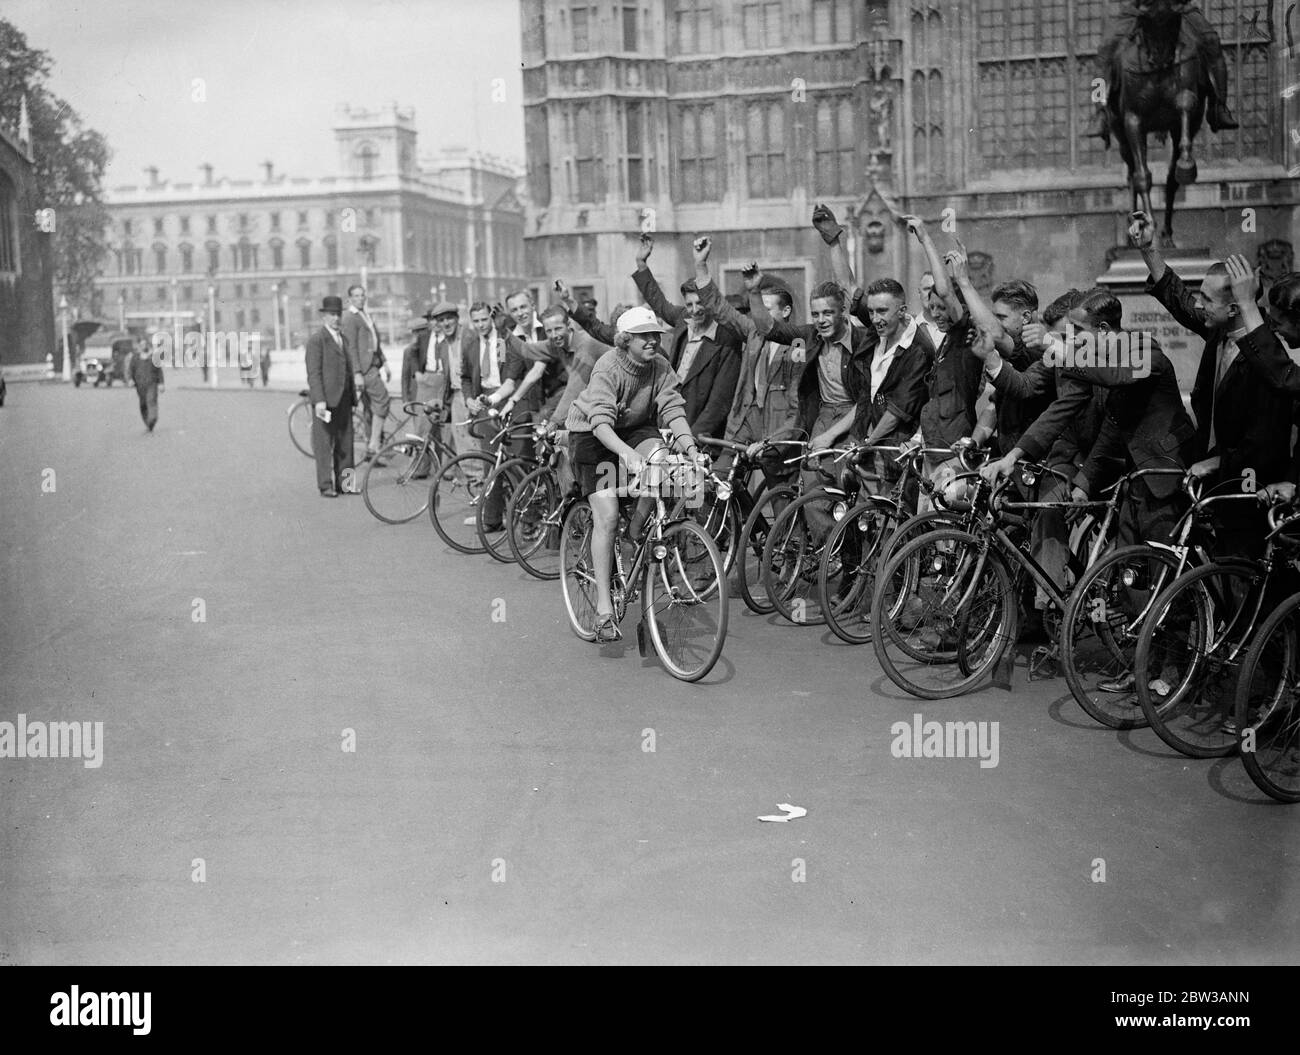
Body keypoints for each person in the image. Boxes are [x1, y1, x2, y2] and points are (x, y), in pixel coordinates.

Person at [1133, 211, 1293, 556]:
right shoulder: (1217, 331)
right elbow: (1178, 300)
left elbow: (1262, 441)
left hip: (1250, 484)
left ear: (1235, 308)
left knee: (1243, 572)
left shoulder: (1265, 357)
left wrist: (1218, 463)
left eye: (1207, 300)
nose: (1198, 304)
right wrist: (1149, 250)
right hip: (1215, 481)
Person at [565, 306, 705, 644]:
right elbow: (599, 422)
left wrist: (689, 448)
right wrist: (626, 455)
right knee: (608, 515)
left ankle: (637, 530)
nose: (653, 341)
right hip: (593, 436)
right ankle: (602, 610)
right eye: (645, 335)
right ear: (625, 339)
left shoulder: (659, 365)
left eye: (656, 334)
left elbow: (671, 407)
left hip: (633, 429)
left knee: (661, 459)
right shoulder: (608, 366)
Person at [690, 236, 803, 488]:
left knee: (781, 501)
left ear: (785, 312)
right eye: (757, 309)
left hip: (776, 432)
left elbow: (797, 403)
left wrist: (777, 439)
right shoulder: (753, 331)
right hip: (743, 423)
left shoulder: (798, 344)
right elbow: (719, 308)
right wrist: (701, 265)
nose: (759, 315)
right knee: (716, 483)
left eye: (767, 309)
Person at [1085, 0, 1237, 139]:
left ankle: (1219, 106)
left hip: (1178, 7)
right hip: (1142, 8)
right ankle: (1100, 112)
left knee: (1212, 41)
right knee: (1105, 53)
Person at [305, 295, 356, 498]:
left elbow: (348, 369)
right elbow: (313, 373)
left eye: (338, 314)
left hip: (344, 398)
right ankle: (325, 485)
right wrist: (319, 400)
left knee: (347, 444)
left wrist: (353, 395)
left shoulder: (343, 338)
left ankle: (347, 484)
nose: (336, 318)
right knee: (324, 445)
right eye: (332, 315)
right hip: (325, 401)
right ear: (323, 317)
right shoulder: (317, 340)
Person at [342, 284, 393, 462]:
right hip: (365, 370)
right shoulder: (350, 317)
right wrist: (356, 372)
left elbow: (374, 341)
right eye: (356, 296)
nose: (360, 298)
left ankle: (373, 453)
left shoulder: (365, 315)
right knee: (383, 400)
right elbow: (351, 347)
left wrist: (385, 361)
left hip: (373, 365)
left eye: (362, 295)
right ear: (349, 299)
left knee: (370, 410)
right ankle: (374, 445)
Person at [130, 338, 164, 433]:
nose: (143, 346)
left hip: (152, 383)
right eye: (141, 345)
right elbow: (130, 370)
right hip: (140, 385)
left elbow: (159, 371)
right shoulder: (135, 358)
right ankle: (148, 423)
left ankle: (152, 418)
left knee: (151, 400)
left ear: (147, 345)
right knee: (143, 404)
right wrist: (130, 380)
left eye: (145, 344)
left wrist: (161, 383)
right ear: (139, 346)